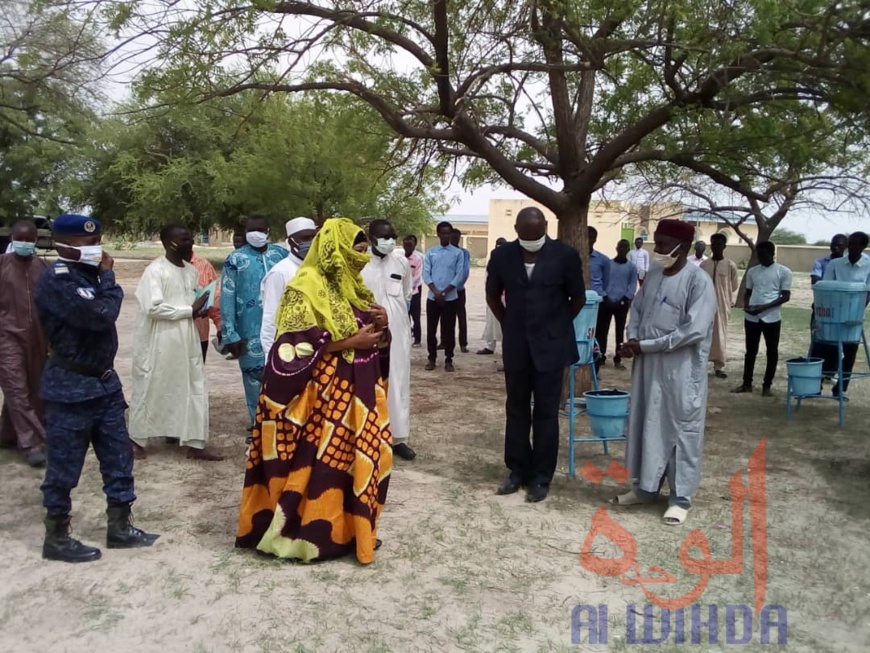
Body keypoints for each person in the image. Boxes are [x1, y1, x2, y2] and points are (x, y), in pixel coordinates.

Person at [236, 218, 392, 564]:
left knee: (356, 462)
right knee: (321, 465)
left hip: (359, 394)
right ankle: (312, 534)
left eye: (364, 251)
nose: (362, 258)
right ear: (336, 251)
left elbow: (371, 336)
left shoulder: (355, 286)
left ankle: (350, 530)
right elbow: (289, 345)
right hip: (322, 395)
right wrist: (350, 342)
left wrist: (383, 324)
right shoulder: (304, 286)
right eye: (356, 251)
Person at [34, 214, 158, 563]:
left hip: (104, 386)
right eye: (89, 243)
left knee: (118, 459)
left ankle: (120, 527)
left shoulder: (91, 276)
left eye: (98, 241)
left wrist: (102, 280)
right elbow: (100, 315)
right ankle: (57, 536)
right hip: (70, 389)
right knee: (64, 468)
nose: (97, 249)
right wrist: (109, 277)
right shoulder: (57, 280)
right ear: (65, 244)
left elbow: (103, 307)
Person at [612, 219, 716, 526]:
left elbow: (693, 331)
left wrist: (647, 345)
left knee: (679, 431)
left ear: (682, 247)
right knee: (646, 423)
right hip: (647, 366)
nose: (657, 249)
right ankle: (645, 488)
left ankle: (680, 498)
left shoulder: (698, 282)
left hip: (679, 371)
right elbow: (637, 309)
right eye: (656, 242)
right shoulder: (655, 274)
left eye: (662, 244)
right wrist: (633, 339)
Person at [486, 207, 585, 503]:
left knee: (546, 412)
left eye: (537, 235)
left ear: (545, 228)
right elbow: (492, 294)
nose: (532, 241)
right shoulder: (502, 256)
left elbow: (578, 298)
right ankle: (517, 470)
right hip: (517, 346)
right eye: (526, 236)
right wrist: (508, 323)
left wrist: (556, 326)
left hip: (551, 347)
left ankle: (541, 477)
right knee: (516, 408)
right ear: (516, 229)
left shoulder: (565, 255)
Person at [129, 225, 223, 461]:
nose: (189, 244)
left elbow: (190, 300)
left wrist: (199, 308)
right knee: (151, 385)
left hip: (187, 337)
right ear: (167, 242)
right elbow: (153, 308)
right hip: (159, 339)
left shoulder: (191, 271)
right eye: (184, 240)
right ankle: (137, 441)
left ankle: (195, 443)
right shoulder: (155, 271)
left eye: (190, 239)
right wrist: (188, 310)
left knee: (193, 385)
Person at [220, 215, 289, 426]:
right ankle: (257, 425)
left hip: (282, 329)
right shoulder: (235, 259)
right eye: (251, 230)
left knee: (283, 375)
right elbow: (227, 296)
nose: (256, 233)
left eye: (260, 229)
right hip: (249, 331)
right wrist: (230, 333)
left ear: (268, 231)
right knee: (253, 378)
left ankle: (283, 425)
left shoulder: (281, 255)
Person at [362, 219, 416, 461]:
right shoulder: (360, 262)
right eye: (384, 237)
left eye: (393, 236)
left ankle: (398, 438)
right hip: (368, 330)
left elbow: (406, 293)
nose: (390, 241)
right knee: (369, 380)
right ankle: (371, 435)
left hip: (398, 330)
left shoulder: (401, 262)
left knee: (398, 381)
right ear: (372, 237)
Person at [0, 220, 49, 467]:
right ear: (11, 239)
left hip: (38, 337)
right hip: (7, 337)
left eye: (30, 240)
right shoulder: (2, 265)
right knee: (16, 387)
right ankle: (32, 443)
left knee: (33, 387)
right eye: (20, 239)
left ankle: (8, 434)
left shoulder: (44, 267)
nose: (25, 244)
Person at [732, 241, 792, 397]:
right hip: (752, 317)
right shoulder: (753, 271)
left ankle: (767, 385)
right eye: (759, 255)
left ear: (772, 254)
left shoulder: (784, 271)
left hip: (771, 317)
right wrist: (747, 306)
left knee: (772, 351)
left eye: (764, 255)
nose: (760, 258)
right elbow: (748, 292)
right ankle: (747, 383)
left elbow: (785, 296)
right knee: (750, 351)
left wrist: (763, 307)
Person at [260, 217, 318, 357]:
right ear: (291, 241)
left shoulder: (320, 269)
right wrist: (270, 355)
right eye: (305, 238)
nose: (310, 243)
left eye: (313, 238)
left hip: (318, 346)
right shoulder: (280, 272)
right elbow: (270, 317)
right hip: (289, 348)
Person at [821, 231, 870, 398]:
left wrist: (857, 311)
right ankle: (817, 383)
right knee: (826, 349)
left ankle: (840, 389)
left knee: (850, 353)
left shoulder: (868, 265)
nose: (851, 247)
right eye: (850, 244)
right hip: (833, 314)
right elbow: (826, 287)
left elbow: (868, 293)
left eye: (855, 244)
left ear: (863, 247)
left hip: (854, 315)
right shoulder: (835, 264)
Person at [423, 221, 464, 372]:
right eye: (443, 233)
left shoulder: (457, 253)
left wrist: (445, 292)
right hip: (433, 298)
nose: (446, 236)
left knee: (449, 330)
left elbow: (459, 275)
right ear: (438, 234)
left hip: (450, 298)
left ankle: (449, 359)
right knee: (431, 330)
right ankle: (431, 358)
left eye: (448, 233)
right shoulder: (431, 252)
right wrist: (435, 292)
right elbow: (426, 273)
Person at [700, 234, 739, 379]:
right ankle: (701, 364)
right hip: (704, 305)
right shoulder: (704, 265)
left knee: (720, 335)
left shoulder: (730, 265)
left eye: (719, 244)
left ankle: (718, 366)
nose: (716, 246)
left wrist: (728, 301)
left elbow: (734, 286)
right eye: (714, 244)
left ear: (724, 246)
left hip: (722, 305)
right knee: (702, 334)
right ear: (711, 245)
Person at [809, 234, 847, 380]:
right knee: (818, 339)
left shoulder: (846, 265)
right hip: (821, 307)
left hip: (840, 309)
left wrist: (828, 285)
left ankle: (830, 373)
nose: (835, 247)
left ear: (845, 247)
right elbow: (816, 282)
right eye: (833, 244)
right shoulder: (820, 262)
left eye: (839, 245)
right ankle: (815, 371)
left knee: (835, 342)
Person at [597, 239, 637, 370]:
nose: (622, 249)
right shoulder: (608, 264)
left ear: (628, 250)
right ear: (616, 248)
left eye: (625, 247)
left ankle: (618, 358)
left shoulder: (631, 267)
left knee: (619, 332)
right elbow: (602, 281)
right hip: (606, 302)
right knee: (602, 331)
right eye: (620, 247)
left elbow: (632, 285)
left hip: (622, 304)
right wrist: (605, 297)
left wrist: (624, 300)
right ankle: (601, 357)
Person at [189, 250, 222, 361]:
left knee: (197, 370)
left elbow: (215, 298)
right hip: (170, 337)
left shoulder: (204, 265)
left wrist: (220, 326)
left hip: (199, 335)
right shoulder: (159, 268)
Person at [478, 237, 507, 356]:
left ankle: (507, 349)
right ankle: (490, 346)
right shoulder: (493, 261)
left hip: (507, 298)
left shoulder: (511, 262)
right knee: (491, 322)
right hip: (494, 297)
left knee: (507, 325)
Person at [450, 228, 472, 353]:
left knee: (461, 317)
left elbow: (465, 271)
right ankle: (445, 341)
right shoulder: (445, 252)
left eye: (457, 237)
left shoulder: (464, 253)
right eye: (453, 237)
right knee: (447, 317)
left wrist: (455, 284)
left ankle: (463, 343)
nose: (455, 240)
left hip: (458, 290)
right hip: (447, 290)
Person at [403, 235, 424, 348]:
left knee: (416, 317)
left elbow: (418, 276)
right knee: (404, 317)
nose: (407, 248)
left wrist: (408, 286)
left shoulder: (417, 259)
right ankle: (405, 338)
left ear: (414, 246)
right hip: (401, 293)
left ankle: (417, 339)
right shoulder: (399, 258)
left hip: (414, 292)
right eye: (405, 245)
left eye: (410, 245)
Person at [587, 226, 610, 298]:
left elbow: (606, 282)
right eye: (586, 237)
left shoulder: (603, 259)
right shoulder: (573, 258)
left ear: (594, 239)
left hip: (597, 297)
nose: (588, 240)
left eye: (590, 237)